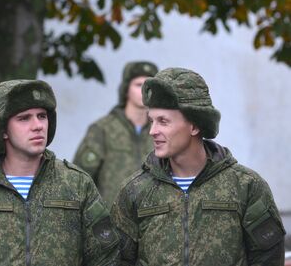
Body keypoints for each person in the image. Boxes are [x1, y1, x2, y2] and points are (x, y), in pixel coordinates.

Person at [0, 79, 119, 266]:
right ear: (3, 129)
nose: (38, 125)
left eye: (42, 116)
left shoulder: (76, 185)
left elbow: (106, 256)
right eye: (24, 118)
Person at [110, 67, 285, 266]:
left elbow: (268, 259)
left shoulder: (246, 187)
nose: (153, 131)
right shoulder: (135, 191)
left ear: (194, 126)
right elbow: (117, 261)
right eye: (152, 121)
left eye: (163, 122)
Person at [73, 61, 158, 207]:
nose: (144, 91)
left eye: (149, 86)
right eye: (138, 85)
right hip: (111, 222)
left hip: (153, 223)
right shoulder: (103, 129)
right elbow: (79, 180)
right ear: (126, 89)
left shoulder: (161, 130)